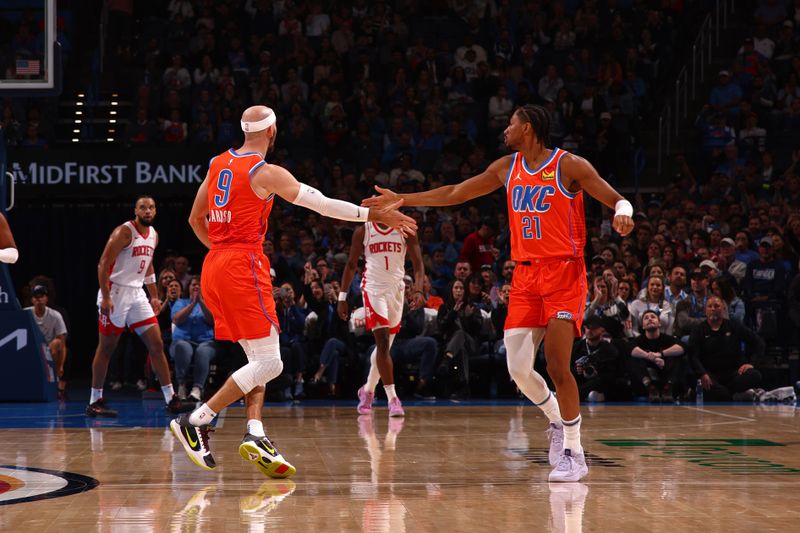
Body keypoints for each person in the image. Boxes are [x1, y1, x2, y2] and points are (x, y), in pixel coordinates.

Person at [364, 104, 634, 482]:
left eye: (510, 124)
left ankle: (574, 451)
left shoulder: (568, 165)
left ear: (527, 128)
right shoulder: (507, 168)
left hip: (564, 274)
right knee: (519, 370)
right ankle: (557, 422)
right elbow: (457, 192)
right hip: (524, 278)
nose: (505, 130)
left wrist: (624, 211)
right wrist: (405, 199)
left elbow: (615, 197)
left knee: (557, 365)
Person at [172, 105, 416, 477]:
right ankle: (198, 419)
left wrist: (222, 255)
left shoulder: (218, 163)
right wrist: (372, 215)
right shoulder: (265, 171)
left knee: (259, 354)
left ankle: (254, 432)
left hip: (215, 264)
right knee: (271, 363)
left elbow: (194, 219)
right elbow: (320, 203)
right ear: (272, 132)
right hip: (241, 265)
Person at [87, 196, 193, 417]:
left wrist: (154, 296)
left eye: (151, 207)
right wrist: (106, 297)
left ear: (155, 211)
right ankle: (94, 401)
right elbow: (103, 264)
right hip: (115, 291)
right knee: (106, 348)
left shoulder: (153, 235)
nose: (148, 211)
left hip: (136, 294)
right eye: (143, 207)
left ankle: (171, 399)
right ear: (135, 210)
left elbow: (148, 265)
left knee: (156, 345)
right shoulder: (124, 232)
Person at [337, 218, 425, 417]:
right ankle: (393, 399)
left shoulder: (406, 230)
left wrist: (419, 290)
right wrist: (342, 297)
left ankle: (367, 390)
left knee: (383, 348)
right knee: (383, 343)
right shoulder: (363, 231)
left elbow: (418, 264)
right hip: (372, 290)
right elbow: (351, 265)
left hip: (396, 291)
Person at [688, 296, 765, 401]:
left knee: (754, 375)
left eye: (716, 306)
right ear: (705, 310)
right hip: (710, 374)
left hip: (733, 373)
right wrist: (702, 373)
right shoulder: (698, 330)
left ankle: (729, 394)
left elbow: (758, 343)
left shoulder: (734, 326)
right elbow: (693, 356)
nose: (713, 309)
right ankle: (735, 395)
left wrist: (752, 363)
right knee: (700, 382)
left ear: (724, 309)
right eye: (709, 306)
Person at [170, 275, 216, 401]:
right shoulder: (180, 302)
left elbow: (212, 320)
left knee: (203, 351)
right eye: (193, 284)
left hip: (205, 342)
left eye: (199, 284)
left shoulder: (210, 304)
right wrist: (193, 304)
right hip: (182, 341)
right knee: (182, 347)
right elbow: (176, 319)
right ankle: (181, 386)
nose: (196, 287)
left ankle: (197, 388)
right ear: (188, 288)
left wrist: (200, 302)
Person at [629, 309, 685, 402]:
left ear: (659, 323)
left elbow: (683, 347)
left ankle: (668, 388)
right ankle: (651, 388)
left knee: (677, 356)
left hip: (665, 373)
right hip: (646, 378)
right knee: (634, 358)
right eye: (646, 318)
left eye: (653, 317)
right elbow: (630, 349)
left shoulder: (668, 339)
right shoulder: (638, 340)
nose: (650, 319)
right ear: (642, 326)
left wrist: (660, 354)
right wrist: (650, 357)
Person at [25, 285, 68, 398]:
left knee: (56, 343)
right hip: (31, 349)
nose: (39, 299)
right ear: (32, 300)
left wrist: (61, 366)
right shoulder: (25, 314)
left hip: (49, 351)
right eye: (36, 297)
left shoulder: (56, 316)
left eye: (41, 296)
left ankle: (55, 379)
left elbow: (62, 344)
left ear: (46, 299)